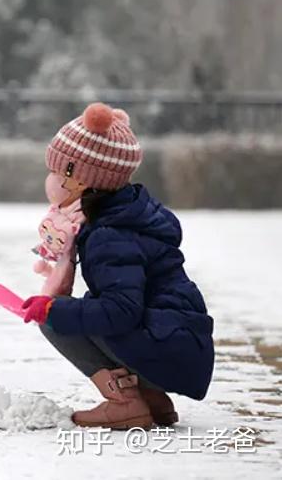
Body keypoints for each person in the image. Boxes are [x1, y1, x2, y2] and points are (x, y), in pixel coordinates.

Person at [21, 103, 214, 429]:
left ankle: (124, 402)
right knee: (77, 312)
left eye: (60, 172)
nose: (52, 181)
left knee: (56, 318)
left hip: (170, 349)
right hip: (179, 345)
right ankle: (153, 399)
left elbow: (121, 310)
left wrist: (53, 311)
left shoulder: (109, 234)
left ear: (83, 180)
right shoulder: (123, 215)